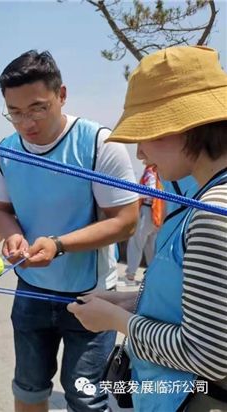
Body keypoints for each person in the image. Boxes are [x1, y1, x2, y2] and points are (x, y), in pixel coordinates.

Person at [68, 45, 227, 411]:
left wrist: (117, 320)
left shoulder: (213, 211)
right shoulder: (203, 195)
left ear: (184, 126)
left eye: (147, 133)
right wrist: (133, 301)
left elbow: (208, 355)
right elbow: (205, 307)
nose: (140, 153)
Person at [0, 50, 139, 411]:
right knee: (27, 387)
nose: (26, 122)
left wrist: (59, 245)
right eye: (15, 112)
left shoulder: (98, 144)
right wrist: (11, 234)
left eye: (37, 108)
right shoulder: (6, 150)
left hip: (91, 295)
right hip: (31, 292)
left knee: (86, 398)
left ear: (62, 95)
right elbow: (0, 210)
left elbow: (126, 220)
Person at [124, 163, 164, 285]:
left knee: (136, 243)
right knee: (150, 246)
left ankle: (130, 276)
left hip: (147, 211)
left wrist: (132, 194)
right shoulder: (162, 171)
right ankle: (152, 276)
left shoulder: (150, 171)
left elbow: (149, 191)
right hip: (157, 212)